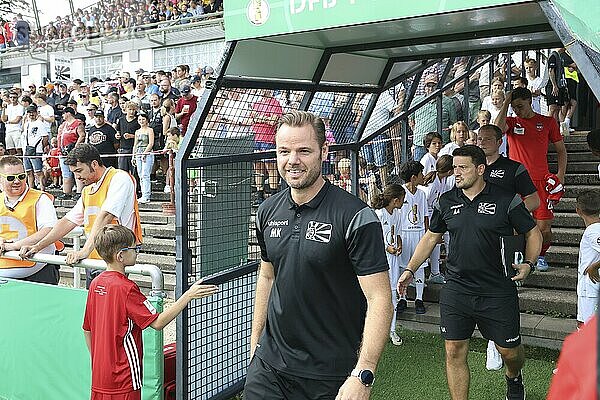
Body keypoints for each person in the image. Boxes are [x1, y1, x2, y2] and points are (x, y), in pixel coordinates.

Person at [244, 111, 392, 399]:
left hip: (330, 373)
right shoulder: (266, 211)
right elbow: (267, 275)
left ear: (324, 152)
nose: (292, 160)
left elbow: (380, 298)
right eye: (284, 151)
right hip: (270, 367)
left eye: (304, 151)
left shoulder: (355, 216)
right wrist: (255, 345)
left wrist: (364, 373)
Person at [397, 145, 542, 400]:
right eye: (454, 168)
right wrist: (411, 268)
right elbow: (431, 238)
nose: (457, 173)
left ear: (480, 169)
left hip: (497, 288)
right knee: (453, 350)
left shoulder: (506, 199)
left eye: (463, 168)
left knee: (510, 352)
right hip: (457, 288)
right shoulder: (447, 201)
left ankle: (514, 377)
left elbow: (532, 232)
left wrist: (529, 263)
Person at [83, 224, 218, 399]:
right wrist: (188, 296)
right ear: (120, 256)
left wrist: (97, 359)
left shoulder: (96, 283)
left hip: (100, 376)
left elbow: (87, 329)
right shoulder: (126, 288)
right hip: (124, 377)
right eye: (134, 248)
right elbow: (157, 322)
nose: (137, 251)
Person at [20, 143, 143, 288]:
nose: (77, 177)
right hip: (94, 258)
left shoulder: (119, 178)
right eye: (74, 172)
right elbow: (67, 221)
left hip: (113, 260)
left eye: (79, 171)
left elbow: (106, 216)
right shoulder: (88, 190)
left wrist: (84, 251)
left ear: (94, 164)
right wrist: (37, 246)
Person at [477, 123, 540, 371]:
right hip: (477, 240)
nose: (481, 142)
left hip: (505, 241)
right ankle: (491, 338)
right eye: (479, 138)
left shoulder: (513, 168)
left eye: (487, 139)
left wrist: (515, 219)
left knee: (502, 289)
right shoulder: (473, 168)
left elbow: (534, 199)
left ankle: (497, 340)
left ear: (500, 141)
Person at [495, 87, 568, 271]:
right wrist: (506, 102)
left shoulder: (547, 122)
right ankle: (518, 258)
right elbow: (496, 129)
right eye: (514, 107)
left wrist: (560, 175)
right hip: (515, 182)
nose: (517, 110)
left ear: (530, 101)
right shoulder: (511, 122)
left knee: (544, 226)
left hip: (541, 182)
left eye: (520, 106)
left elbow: (561, 150)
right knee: (513, 225)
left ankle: (541, 256)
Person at [0, 155, 59, 284]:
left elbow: (49, 229)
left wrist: (14, 246)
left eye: (21, 176)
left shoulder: (41, 199)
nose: (17, 181)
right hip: (4, 271)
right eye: (11, 178)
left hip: (38, 271)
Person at [372, 184, 406, 346]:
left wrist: (399, 245)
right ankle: (372, 329)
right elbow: (374, 237)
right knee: (377, 295)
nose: (403, 202)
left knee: (394, 295)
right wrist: (387, 247)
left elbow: (398, 233)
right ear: (395, 200)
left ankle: (391, 330)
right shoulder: (379, 214)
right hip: (380, 259)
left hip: (394, 260)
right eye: (402, 199)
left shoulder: (397, 214)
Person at [397, 161, 429, 315]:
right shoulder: (400, 193)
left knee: (420, 266)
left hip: (418, 233)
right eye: (421, 174)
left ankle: (419, 298)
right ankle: (402, 298)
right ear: (413, 177)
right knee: (404, 266)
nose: (424, 176)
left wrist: (427, 235)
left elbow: (425, 216)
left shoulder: (422, 194)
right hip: (404, 233)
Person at [574, 191, 600, 328]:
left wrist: (595, 266)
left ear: (578, 210)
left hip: (591, 288)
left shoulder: (593, 231)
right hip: (588, 287)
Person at [57, 107, 85, 200]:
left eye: (64, 113)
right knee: (66, 174)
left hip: (73, 151)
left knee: (77, 171)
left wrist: (75, 147)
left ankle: (79, 192)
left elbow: (82, 135)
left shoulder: (78, 123)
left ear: (68, 113)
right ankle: (67, 192)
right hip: (63, 152)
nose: (62, 115)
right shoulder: (64, 124)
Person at [22, 105, 50, 192]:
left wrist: (42, 146)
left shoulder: (40, 124)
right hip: (26, 150)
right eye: (29, 112)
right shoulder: (26, 124)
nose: (31, 114)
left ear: (36, 113)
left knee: (38, 172)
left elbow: (45, 137)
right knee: (29, 172)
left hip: (36, 150)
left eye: (33, 112)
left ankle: (42, 189)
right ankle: (31, 189)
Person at [132, 112, 154, 204]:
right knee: (140, 174)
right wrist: (133, 156)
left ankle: (146, 195)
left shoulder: (150, 130)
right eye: (140, 119)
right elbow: (135, 145)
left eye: (143, 119)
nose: (141, 121)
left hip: (147, 152)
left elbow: (151, 143)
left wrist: (145, 153)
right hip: (138, 153)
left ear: (147, 120)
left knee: (145, 174)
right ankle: (143, 194)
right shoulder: (137, 131)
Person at [545, 48, 568, 124]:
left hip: (560, 85)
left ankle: (555, 128)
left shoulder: (560, 56)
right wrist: (554, 85)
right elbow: (551, 71)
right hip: (553, 86)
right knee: (552, 107)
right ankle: (547, 127)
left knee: (558, 107)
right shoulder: (553, 56)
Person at [1, 91, 24, 155]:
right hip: (8, 130)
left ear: (17, 98)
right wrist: (4, 109)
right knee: (10, 150)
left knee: (19, 149)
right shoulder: (8, 107)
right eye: (11, 97)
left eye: (14, 97)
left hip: (17, 130)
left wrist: (8, 122)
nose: (13, 99)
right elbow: (4, 119)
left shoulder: (20, 107)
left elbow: (17, 120)